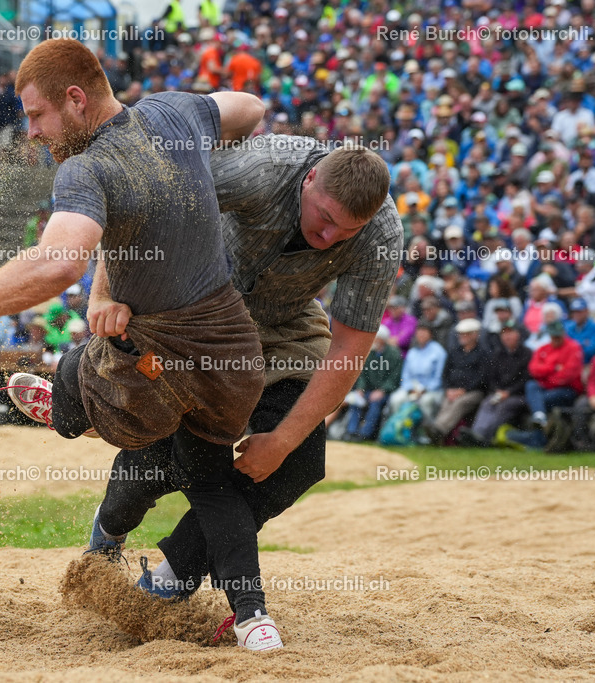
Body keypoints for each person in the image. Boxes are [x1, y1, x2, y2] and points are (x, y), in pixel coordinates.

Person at [0, 39, 277, 650]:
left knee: (72, 372)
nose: (31, 133)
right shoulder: (174, 111)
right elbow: (250, 106)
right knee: (210, 480)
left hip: (157, 370)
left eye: (36, 115)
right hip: (232, 361)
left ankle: (73, 415)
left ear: (76, 100)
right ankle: (254, 621)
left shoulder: (86, 167)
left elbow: (56, 266)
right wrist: (201, 165)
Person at [87, 138, 400, 616]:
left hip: (283, 325)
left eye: (347, 230)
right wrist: (104, 295)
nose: (330, 237)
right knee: (164, 453)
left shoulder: (380, 235)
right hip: (197, 308)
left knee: (299, 460)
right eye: (324, 217)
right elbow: (142, 202)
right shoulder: (259, 169)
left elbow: (349, 349)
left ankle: (175, 574)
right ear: (309, 180)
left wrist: (281, 440)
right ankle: (109, 520)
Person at [462, 320, 532, 446]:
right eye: (504, 333)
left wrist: (509, 392)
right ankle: (476, 434)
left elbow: (526, 379)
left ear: (518, 334)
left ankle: (486, 438)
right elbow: (491, 378)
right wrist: (497, 391)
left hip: (519, 395)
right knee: (487, 404)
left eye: (510, 333)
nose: (507, 336)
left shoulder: (527, 354)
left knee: (503, 407)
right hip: (499, 393)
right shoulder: (497, 354)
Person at [424, 318, 489, 445]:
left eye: (466, 334)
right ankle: (437, 432)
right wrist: (449, 389)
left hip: (474, 392)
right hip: (453, 390)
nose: (462, 337)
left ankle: (438, 430)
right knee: (446, 403)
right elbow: (445, 373)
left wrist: (463, 390)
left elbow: (482, 378)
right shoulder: (454, 351)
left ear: (475, 335)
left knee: (459, 403)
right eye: (461, 334)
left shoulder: (483, 353)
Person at [341, 325, 402, 442]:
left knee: (375, 403)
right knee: (356, 401)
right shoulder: (369, 352)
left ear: (382, 340)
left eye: (375, 338)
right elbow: (363, 374)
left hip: (385, 391)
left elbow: (394, 378)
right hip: (369, 390)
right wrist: (360, 389)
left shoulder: (394, 354)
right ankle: (351, 432)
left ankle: (365, 434)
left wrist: (382, 390)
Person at [524, 320, 583, 429]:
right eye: (553, 336)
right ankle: (539, 416)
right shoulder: (544, 348)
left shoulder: (573, 347)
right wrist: (553, 368)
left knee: (538, 399)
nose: (556, 339)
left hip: (567, 389)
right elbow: (533, 369)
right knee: (531, 385)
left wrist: (545, 378)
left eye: (558, 336)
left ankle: (539, 421)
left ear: (563, 334)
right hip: (547, 386)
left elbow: (567, 376)